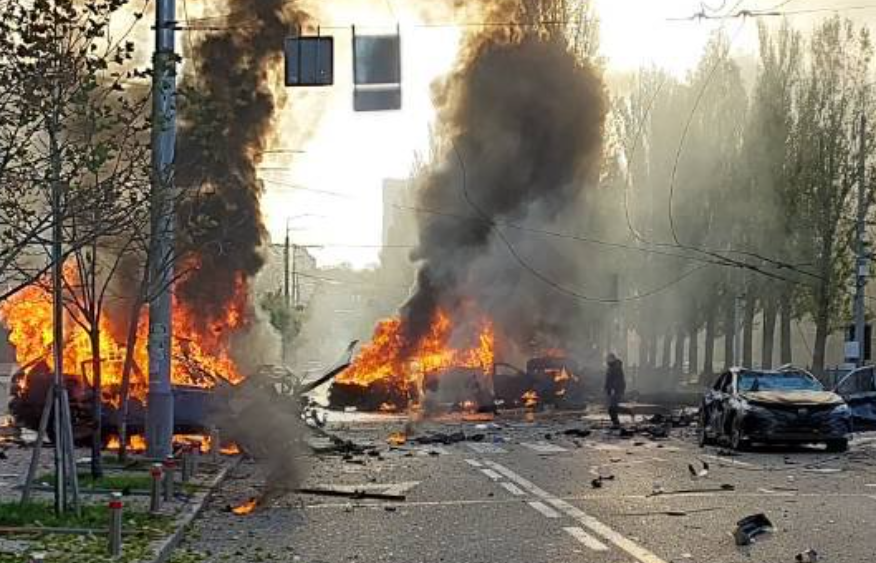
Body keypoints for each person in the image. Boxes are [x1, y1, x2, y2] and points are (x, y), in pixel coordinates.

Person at [604, 353, 626, 429]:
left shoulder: (616, 367)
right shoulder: (611, 367)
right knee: (612, 408)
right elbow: (608, 380)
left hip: (616, 390)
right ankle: (615, 423)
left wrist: (613, 389)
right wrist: (607, 388)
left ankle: (616, 423)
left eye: (609, 359)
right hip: (613, 390)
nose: (607, 360)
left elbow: (617, 380)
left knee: (612, 408)